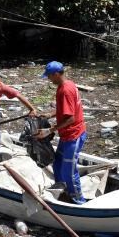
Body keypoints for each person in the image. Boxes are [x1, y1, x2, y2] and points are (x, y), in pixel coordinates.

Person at [35, 61, 88, 204]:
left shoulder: (65, 90)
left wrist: (50, 130)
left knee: (69, 171)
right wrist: (49, 115)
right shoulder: (66, 85)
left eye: (49, 77)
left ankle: (79, 200)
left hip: (74, 135)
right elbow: (65, 110)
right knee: (58, 164)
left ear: (56, 74)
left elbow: (70, 119)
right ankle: (62, 191)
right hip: (66, 135)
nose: (48, 79)